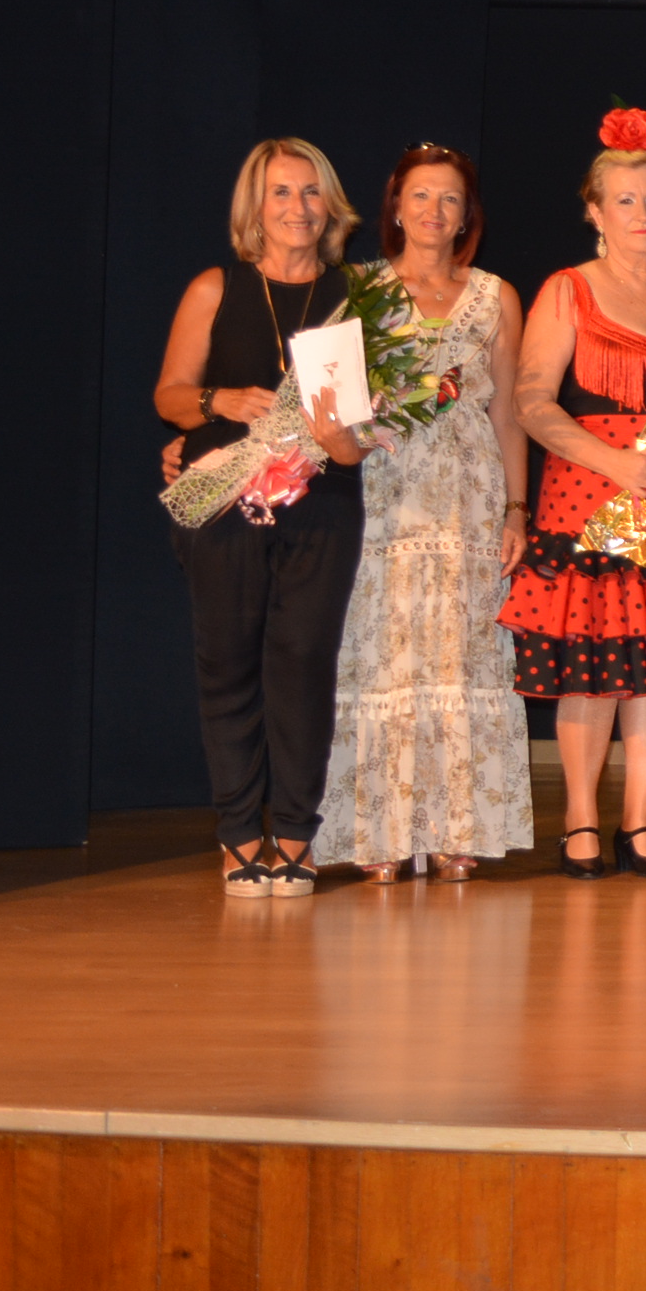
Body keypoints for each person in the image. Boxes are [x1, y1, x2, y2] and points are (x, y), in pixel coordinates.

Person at [501, 109, 646, 880]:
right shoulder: (567, 290)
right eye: (625, 201)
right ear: (595, 211)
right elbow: (532, 403)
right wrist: (613, 460)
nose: (642, 213)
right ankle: (579, 822)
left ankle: (640, 821)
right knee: (592, 662)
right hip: (591, 493)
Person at [155, 138, 371, 897]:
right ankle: (239, 833)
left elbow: (357, 443)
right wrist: (221, 404)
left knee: (302, 668)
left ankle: (294, 835)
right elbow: (171, 394)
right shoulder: (216, 288)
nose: (298, 209)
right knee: (227, 666)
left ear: (331, 205)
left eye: (312, 193)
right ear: (256, 207)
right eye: (281, 193)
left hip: (323, 509)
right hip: (224, 506)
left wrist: (336, 436)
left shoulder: (359, 300)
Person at [313, 145, 532, 884]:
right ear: (396, 206)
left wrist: (515, 508)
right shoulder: (360, 290)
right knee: (385, 648)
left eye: (449, 199)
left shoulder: (496, 295)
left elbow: (508, 412)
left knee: (459, 649)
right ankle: (379, 828)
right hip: (387, 488)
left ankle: (454, 825)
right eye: (421, 196)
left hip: (469, 493)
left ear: (467, 214)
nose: (435, 211)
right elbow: (329, 403)